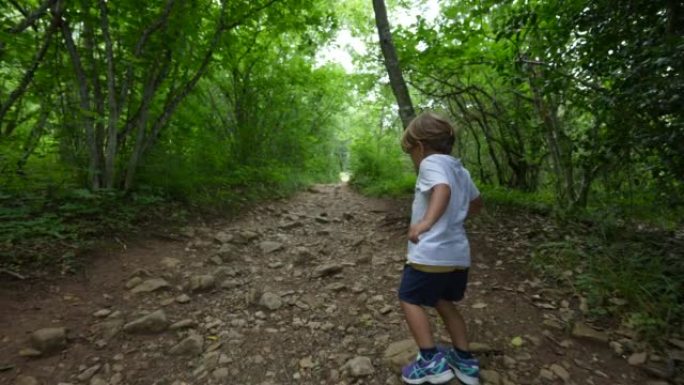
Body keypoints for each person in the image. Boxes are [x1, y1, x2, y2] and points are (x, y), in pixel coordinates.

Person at [398, 111, 483, 385]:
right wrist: (453, 219)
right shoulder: (461, 169)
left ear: (420, 146)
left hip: (431, 253)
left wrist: (426, 222)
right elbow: (477, 203)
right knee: (443, 302)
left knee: (409, 298)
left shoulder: (430, 162)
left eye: (410, 151)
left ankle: (430, 360)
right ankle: (464, 360)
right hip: (457, 255)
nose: (412, 157)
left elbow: (442, 189)